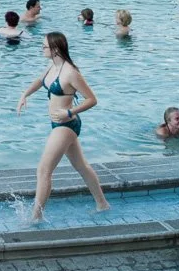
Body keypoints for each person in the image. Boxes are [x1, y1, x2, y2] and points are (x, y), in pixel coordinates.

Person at [15, 31, 110, 220]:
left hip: (66, 125)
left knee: (43, 170)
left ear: (56, 49)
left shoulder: (70, 72)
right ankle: (102, 204)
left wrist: (69, 112)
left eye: (44, 46)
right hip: (57, 124)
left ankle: (36, 217)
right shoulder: (53, 66)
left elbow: (92, 99)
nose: (42, 49)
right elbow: (40, 81)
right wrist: (25, 94)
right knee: (82, 166)